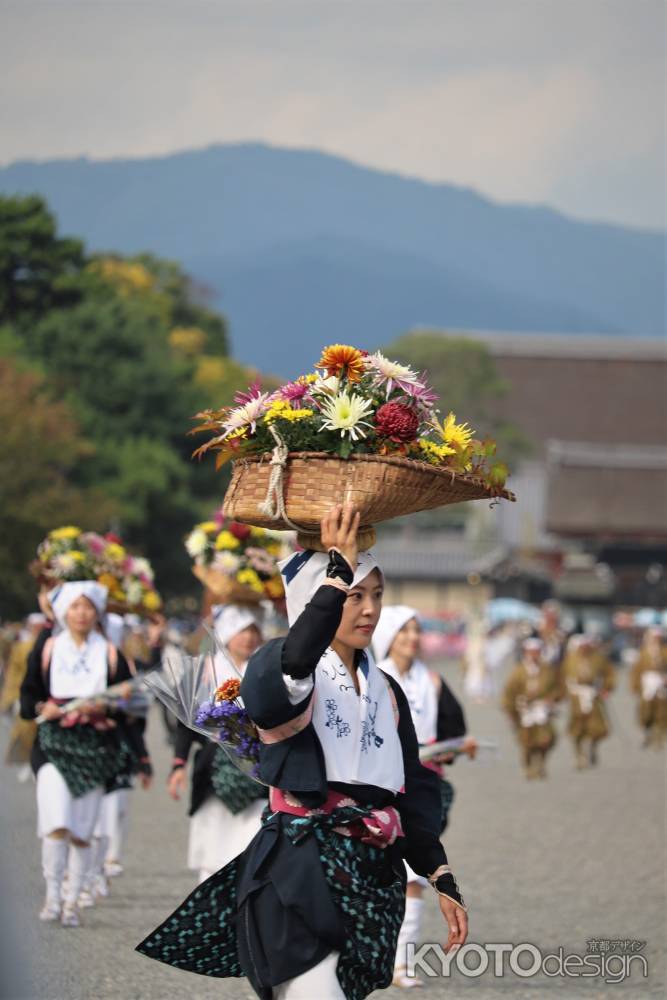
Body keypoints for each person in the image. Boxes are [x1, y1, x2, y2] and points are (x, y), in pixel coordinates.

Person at [137, 506, 467, 999]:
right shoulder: (280, 667)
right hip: (301, 866)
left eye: (376, 596)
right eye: (354, 596)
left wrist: (440, 875)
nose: (370, 610)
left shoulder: (388, 692)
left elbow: (412, 790)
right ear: (318, 598)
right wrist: (335, 572)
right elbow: (291, 669)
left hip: (372, 876)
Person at [19, 581, 133, 927]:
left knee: (83, 830)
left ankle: (72, 902)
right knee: (56, 823)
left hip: (95, 749)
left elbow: (130, 707)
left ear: (97, 613)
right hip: (53, 746)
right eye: (74, 607)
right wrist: (43, 707)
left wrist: (107, 707)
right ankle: (53, 895)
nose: (81, 614)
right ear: (63, 612)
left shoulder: (111, 655)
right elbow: (27, 700)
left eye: (87, 607)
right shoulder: (48, 649)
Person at [373, 606, 474, 989]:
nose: (412, 638)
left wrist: (453, 748)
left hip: (420, 789)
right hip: (379, 790)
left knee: (417, 875)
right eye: (404, 632)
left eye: (416, 631)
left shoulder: (433, 682)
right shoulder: (371, 678)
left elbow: (455, 729)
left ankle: (402, 962)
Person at [167, 604, 268, 884]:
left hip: (256, 770)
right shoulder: (204, 671)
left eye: (253, 631)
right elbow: (184, 725)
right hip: (213, 768)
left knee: (250, 842)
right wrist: (179, 763)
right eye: (241, 631)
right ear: (225, 634)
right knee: (213, 843)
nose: (248, 638)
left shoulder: (266, 670)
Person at [502, 637, 560, 779]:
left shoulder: (547, 669)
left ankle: (541, 765)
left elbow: (558, 687)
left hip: (542, 710)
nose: (534, 655)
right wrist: (510, 711)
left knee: (546, 739)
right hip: (525, 711)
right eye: (531, 652)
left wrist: (552, 699)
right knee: (527, 742)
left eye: (536, 652)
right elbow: (509, 692)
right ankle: (527, 767)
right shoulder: (518, 671)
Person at [563, 634, 615, 769]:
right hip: (576, 697)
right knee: (577, 729)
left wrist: (607, 688)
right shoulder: (570, 659)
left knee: (597, 727)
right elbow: (561, 676)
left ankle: (592, 747)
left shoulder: (598, 659)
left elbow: (609, 674)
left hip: (593, 695)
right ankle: (579, 755)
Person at [630, 627, 667, 748]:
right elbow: (636, 671)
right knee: (645, 711)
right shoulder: (643, 652)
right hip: (647, 684)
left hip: (661, 684)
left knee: (662, 712)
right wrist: (635, 686)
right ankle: (646, 734)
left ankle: (660, 738)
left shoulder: (665, 651)